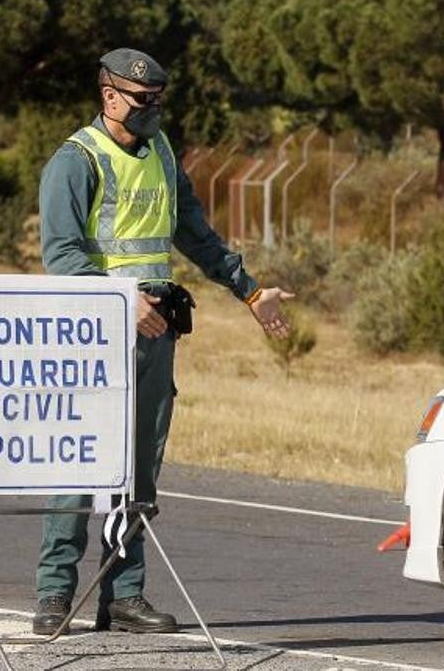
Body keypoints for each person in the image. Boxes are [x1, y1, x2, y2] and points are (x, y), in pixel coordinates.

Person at [33, 48, 293, 635]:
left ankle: (123, 595)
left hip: (155, 337)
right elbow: (62, 255)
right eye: (142, 100)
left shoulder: (162, 152)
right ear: (110, 97)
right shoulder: (76, 161)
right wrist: (124, 302)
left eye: (158, 101)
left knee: (138, 468)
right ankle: (54, 594)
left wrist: (250, 292)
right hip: (91, 337)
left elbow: (196, 235)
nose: (152, 110)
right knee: (78, 465)